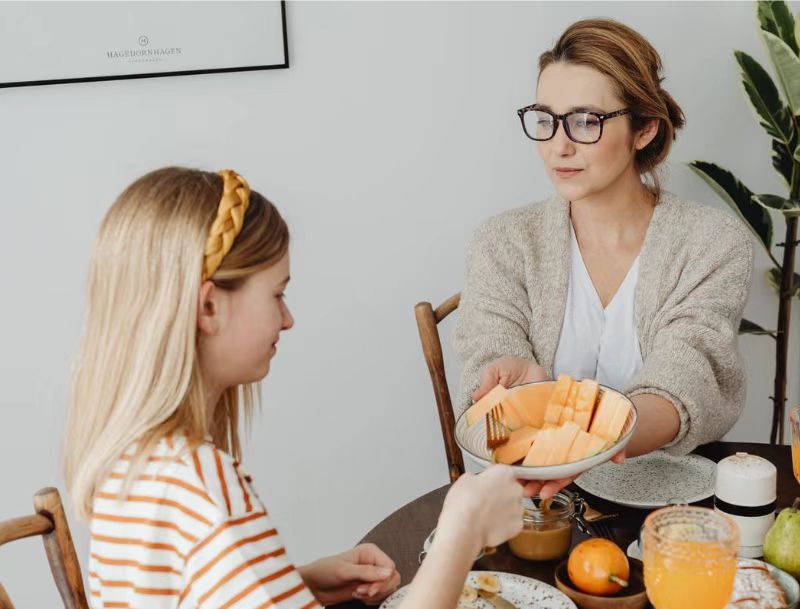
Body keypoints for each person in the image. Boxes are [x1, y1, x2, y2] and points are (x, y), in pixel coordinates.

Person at [63, 167, 528, 609]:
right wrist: (460, 533)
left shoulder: (134, 464)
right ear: (208, 309)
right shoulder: (198, 481)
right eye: (276, 294)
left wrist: (295, 582)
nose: (288, 318)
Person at [453, 19, 754, 499]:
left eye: (586, 121)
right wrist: (516, 390)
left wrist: (587, 432)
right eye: (545, 118)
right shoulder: (502, 241)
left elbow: (687, 376)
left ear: (644, 129)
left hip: (673, 503)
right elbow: (486, 371)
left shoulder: (713, 244)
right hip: (531, 505)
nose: (559, 145)